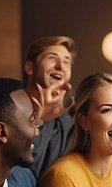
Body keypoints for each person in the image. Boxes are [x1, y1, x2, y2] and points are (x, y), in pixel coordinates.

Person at [23, 36, 76, 178]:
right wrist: (41, 120)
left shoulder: (71, 122)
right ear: (29, 67)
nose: (60, 66)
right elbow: (18, 173)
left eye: (67, 61)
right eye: (52, 58)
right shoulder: (8, 110)